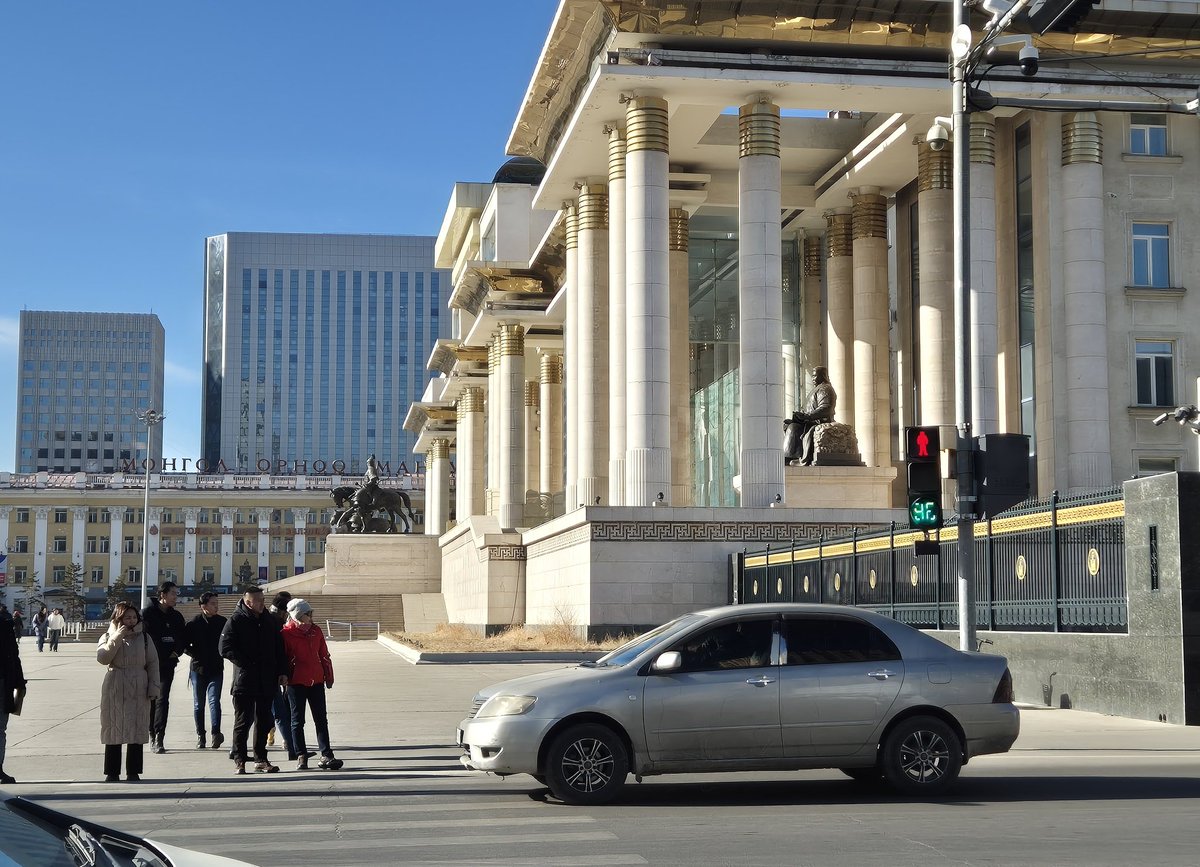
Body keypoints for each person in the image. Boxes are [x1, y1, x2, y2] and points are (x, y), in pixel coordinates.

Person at [219, 586, 287, 774]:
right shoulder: (236, 620)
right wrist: (246, 663)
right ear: (248, 602)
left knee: (264, 720)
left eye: (263, 600)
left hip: (267, 679)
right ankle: (240, 759)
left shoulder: (269, 621)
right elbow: (224, 647)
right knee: (243, 721)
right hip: (245, 680)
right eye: (258, 601)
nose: (262, 604)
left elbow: (279, 648)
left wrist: (282, 671)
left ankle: (261, 759)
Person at [96, 601, 160, 783]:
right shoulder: (107, 635)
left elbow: (153, 663)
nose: (131, 621)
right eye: (127, 617)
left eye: (134, 617)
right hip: (115, 683)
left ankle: (133, 771)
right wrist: (117, 636)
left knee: (136, 726)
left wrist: (154, 687)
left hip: (139, 684)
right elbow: (103, 658)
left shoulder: (145, 638)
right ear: (119, 618)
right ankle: (112, 771)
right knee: (113, 727)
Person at [282, 599, 343, 771]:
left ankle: (327, 754)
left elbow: (324, 654)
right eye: (308, 614)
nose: (311, 617)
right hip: (296, 682)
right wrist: (284, 676)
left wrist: (328, 675)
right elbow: (283, 659)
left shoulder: (316, 631)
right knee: (297, 721)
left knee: (321, 719)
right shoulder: (286, 634)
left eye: (310, 613)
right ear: (298, 615)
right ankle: (301, 754)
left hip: (316, 680)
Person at [142, 581, 187, 754]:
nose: (176, 597)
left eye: (176, 593)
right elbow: (143, 637)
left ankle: (159, 737)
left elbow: (182, 638)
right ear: (163, 595)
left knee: (163, 699)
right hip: (149, 664)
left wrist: (177, 652)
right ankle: (151, 733)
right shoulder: (147, 614)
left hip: (168, 664)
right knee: (152, 699)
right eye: (173, 593)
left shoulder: (176, 616)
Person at [183, 592, 226, 750]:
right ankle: (201, 735)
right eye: (213, 603)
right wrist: (194, 654)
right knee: (198, 704)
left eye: (216, 603)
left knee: (214, 701)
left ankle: (216, 734)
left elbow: (228, 641)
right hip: (198, 669)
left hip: (216, 668)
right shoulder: (194, 623)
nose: (216, 606)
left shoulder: (222, 622)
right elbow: (185, 644)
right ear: (204, 606)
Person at [783, 366, 838, 466]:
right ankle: (792, 455)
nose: (813, 378)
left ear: (822, 376)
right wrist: (801, 416)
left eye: (815, 376)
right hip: (809, 421)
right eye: (812, 376)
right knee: (787, 424)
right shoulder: (817, 389)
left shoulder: (825, 389)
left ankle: (791, 457)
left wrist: (808, 416)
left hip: (818, 421)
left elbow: (826, 408)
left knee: (793, 428)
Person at [266, 592, 298, 760]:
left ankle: (288, 743)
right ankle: (291, 746)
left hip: (276, 672)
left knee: (275, 709)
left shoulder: (273, 620)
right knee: (279, 710)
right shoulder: (275, 623)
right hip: (274, 673)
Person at [1, 605, 26, 784]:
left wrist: (19, 680)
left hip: (3, 683)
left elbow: (13, 655)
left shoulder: (5, 622)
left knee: (0, 729)